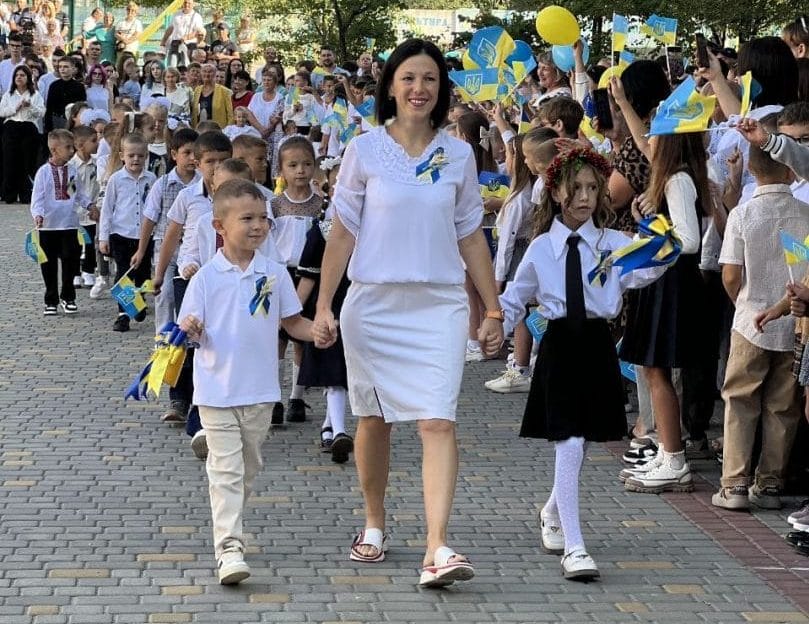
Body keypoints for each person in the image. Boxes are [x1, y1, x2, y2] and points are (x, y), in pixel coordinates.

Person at [311, 39, 502, 588]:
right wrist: (324, 305)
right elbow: (343, 231)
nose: (420, 89)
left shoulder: (460, 154)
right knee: (373, 420)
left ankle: (438, 545)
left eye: (431, 80)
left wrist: (491, 309)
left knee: (438, 419)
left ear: (441, 91)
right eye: (409, 78)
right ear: (391, 85)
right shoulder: (364, 150)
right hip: (372, 303)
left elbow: (470, 236)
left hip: (438, 304)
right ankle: (374, 524)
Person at [500, 144, 668, 580]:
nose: (585, 196)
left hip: (596, 343)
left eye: (593, 188)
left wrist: (655, 226)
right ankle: (575, 547)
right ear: (557, 192)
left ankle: (552, 510)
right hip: (559, 345)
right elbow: (516, 298)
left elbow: (652, 264)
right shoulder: (540, 247)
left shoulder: (612, 243)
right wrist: (491, 327)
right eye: (575, 188)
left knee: (585, 439)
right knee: (569, 442)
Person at [178, 178, 313, 585]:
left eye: (263, 218)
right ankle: (229, 548)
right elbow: (189, 330)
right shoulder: (205, 277)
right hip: (216, 391)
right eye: (247, 219)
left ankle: (230, 525)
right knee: (226, 470)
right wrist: (192, 328)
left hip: (260, 392)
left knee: (248, 467)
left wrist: (321, 330)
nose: (258, 226)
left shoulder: (273, 273)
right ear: (220, 226)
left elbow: (292, 322)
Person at [711, 142, 806, 510]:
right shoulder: (806, 213)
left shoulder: (742, 214)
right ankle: (769, 483)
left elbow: (731, 274)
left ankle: (734, 483)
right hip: (796, 320)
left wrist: (742, 304)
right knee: (784, 405)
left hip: (749, 320)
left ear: (751, 171)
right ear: (791, 171)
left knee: (740, 399)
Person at [619, 131, 713, 494]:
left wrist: (651, 233)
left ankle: (674, 457)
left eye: (653, 133)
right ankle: (667, 451)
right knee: (652, 368)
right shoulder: (673, 179)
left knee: (657, 368)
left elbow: (688, 241)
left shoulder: (677, 179)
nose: (647, 139)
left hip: (671, 283)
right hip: (662, 280)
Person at [152, 130, 232, 457]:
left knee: (212, 344)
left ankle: (209, 406)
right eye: (209, 162)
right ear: (197, 164)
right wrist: (160, 274)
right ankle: (179, 398)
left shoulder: (240, 196)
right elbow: (172, 237)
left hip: (226, 281)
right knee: (186, 339)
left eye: (222, 161)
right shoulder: (189, 196)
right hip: (191, 278)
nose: (215, 168)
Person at [297, 157, 353, 462]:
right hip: (327, 307)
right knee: (334, 370)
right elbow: (308, 274)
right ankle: (339, 431)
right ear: (330, 187)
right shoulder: (323, 229)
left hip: (359, 306)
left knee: (346, 371)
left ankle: (330, 427)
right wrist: (291, 312)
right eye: (340, 181)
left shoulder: (371, 226)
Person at [30, 129, 95, 315]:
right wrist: (38, 215)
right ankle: (50, 300)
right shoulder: (43, 172)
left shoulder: (72, 170)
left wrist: (90, 205)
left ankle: (68, 297)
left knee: (70, 261)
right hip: (49, 227)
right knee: (48, 264)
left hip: (69, 224)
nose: (72, 151)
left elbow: (77, 193)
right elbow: (38, 198)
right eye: (68, 147)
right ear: (54, 150)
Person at [98, 132, 156, 332]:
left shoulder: (151, 178)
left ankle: (138, 302)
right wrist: (103, 237)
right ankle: (123, 315)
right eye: (131, 155)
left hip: (143, 237)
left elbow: (154, 207)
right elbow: (107, 209)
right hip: (120, 234)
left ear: (146, 156)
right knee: (123, 275)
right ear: (122, 155)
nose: (136, 159)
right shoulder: (116, 179)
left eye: (140, 155)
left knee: (142, 274)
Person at [0, 64, 43, 204]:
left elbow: (41, 112)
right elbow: (2, 112)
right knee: (10, 160)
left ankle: (26, 194)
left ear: (28, 78)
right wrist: (15, 107)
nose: (19, 78)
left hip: (28, 127)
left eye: (22, 75)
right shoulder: (9, 94)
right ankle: (9, 194)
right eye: (17, 75)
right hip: (11, 127)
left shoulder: (35, 94)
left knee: (27, 161)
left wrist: (30, 106)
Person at [69, 125, 100, 288]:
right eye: (93, 141)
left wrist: (96, 206)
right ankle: (74, 273)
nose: (97, 143)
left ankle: (88, 271)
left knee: (90, 242)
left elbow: (99, 186)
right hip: (76, 213)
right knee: (74, 244)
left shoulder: (97, 164)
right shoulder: (71, 166)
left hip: (93, 211)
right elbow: (70, 190)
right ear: (80, 145)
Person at [247, 67, 283, 180]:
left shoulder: (279, 97)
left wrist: (268, 129)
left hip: (272, 136)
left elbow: (278, 116)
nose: (266, 82)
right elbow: (249, 113)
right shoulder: (256, 96)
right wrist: (261, 129)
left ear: (275, 82)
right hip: (256, 133)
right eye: (264, 80)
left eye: (269, 80)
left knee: (269, 164)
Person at [44, 55, 85, 133]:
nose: (62, 69)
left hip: (73, 122)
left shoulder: (79, 87)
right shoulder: (54, 86)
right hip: (56, 120)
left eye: (65, 67)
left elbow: (82, 107)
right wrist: (48, 127)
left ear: (73, 69)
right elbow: (49, 107)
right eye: (60, 67)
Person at [161, 0, 204, 68]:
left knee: (187, 67)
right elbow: (170, 28)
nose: (186, 5)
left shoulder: (197, 16)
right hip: (175, 43)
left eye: (189, 3)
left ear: (193, 4)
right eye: (185, 2)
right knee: (172, 66)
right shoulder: (176, 14)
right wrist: (163, 41)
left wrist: (187, 37)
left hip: (190, 45)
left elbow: (198, 31)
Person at [191, 62, 233, 128]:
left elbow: (231, 115)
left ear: (215, 74)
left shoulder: (225, 91)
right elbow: (194, 112)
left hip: (218, 131)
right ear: (201, 73)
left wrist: (228, 131)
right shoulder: (197, 90)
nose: (207, 74)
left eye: (210, 72)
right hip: (199, 129)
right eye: (204, 71)